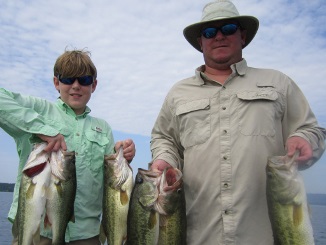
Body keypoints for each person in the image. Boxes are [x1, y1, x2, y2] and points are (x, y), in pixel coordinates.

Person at [150, 0, 326, 244]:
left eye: (229, 29)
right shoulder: (178, 93)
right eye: (210, 32)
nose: (219, 36)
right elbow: (165, 138)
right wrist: (164, 159)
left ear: (242, 35)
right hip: (199, 237)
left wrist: (304, 139)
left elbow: (311, 130)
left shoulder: (278, 83)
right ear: (201, 41)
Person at [0, 48, 136, 244]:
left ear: (94, 85)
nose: (76, 86)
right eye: (68, 79)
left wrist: (122, 154)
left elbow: (111, 180)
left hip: (86, 233)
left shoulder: (103, 128)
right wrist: (41, 128)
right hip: (36, 230)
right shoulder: (39, 110)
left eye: (84, 80)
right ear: (56, 82)